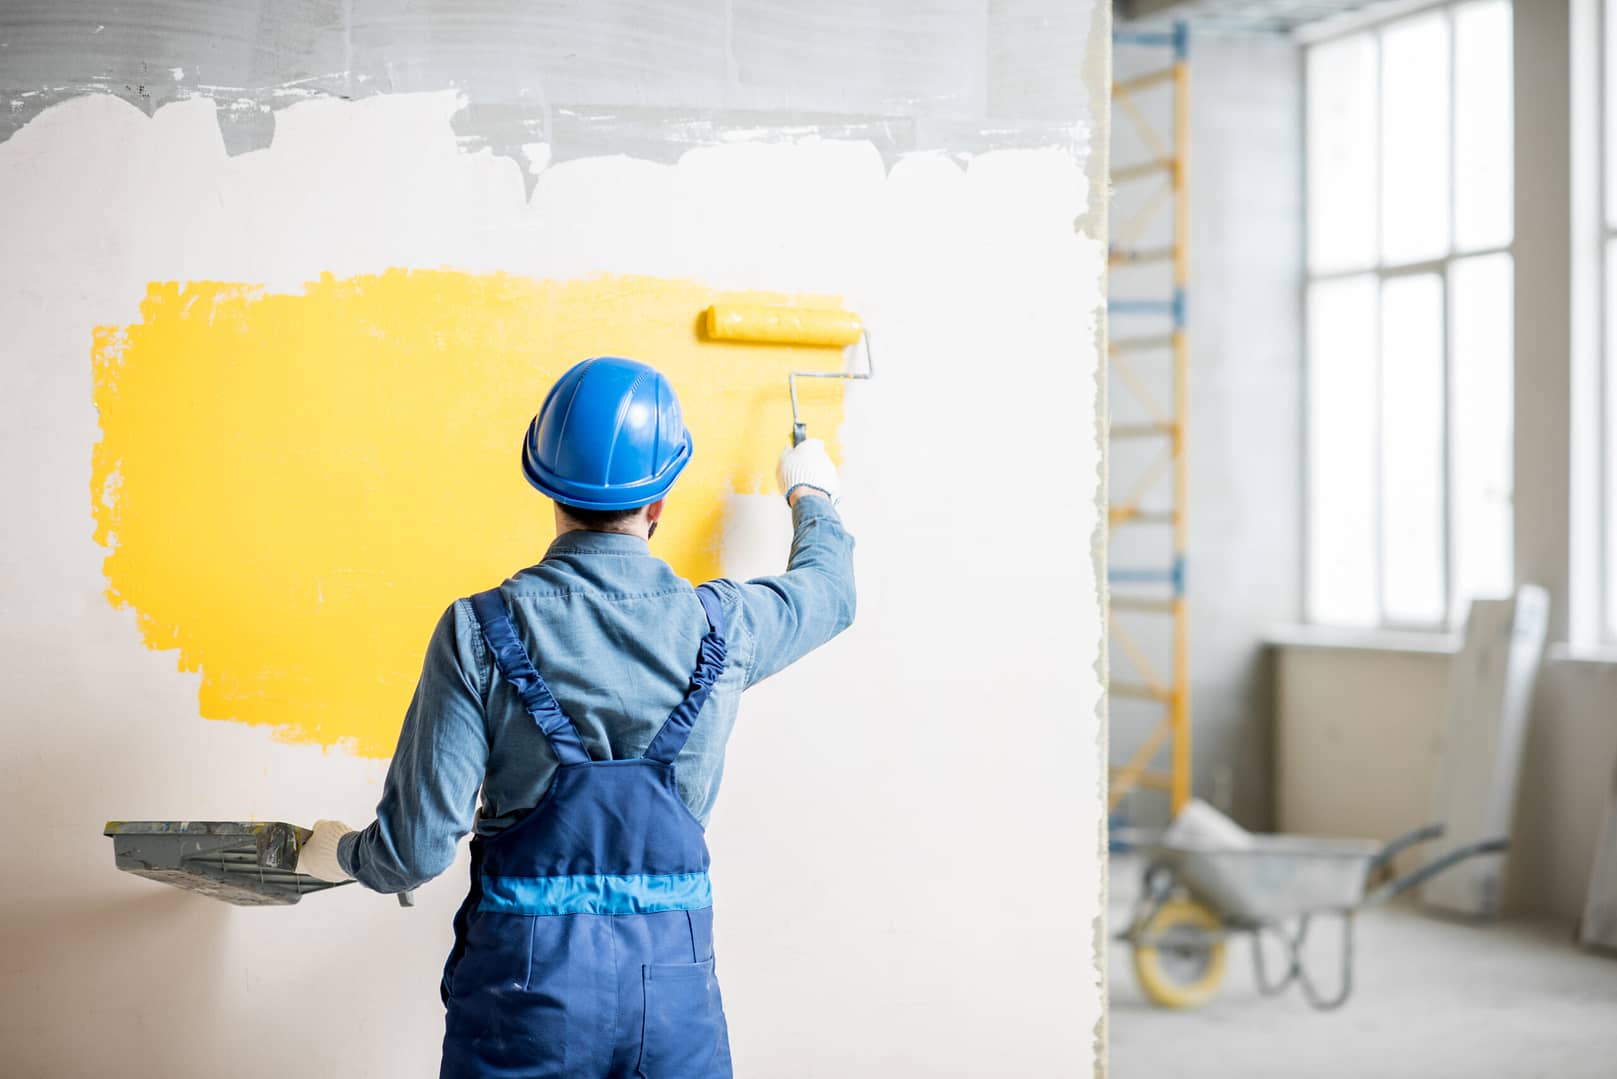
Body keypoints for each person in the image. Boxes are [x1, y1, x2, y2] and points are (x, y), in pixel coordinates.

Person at [298, 355, 856, 1079]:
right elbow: (829, 592)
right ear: (659, 503)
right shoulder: (727, 626)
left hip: (524, 999)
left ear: (545, 485)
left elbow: (413, 853)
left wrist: (338, 851)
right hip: (674, 996)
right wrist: (810, 489)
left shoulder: (478, 630)